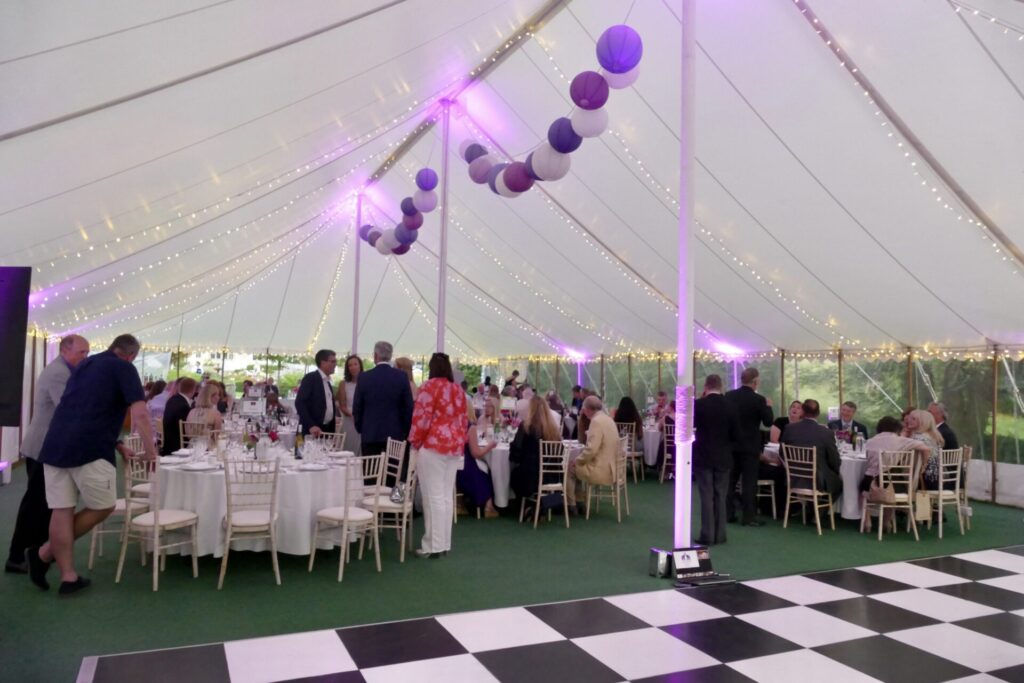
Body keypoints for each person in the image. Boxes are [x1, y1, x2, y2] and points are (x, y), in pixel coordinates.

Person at [27, 334, 158, 595]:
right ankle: (43, 553)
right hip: (89, 448)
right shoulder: (125, 368)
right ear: (131, 355)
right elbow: (140, 413)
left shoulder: (85, 364)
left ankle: (67, 576)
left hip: (54, 444)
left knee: (61, 509)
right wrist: (151, 451)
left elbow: (84, 406)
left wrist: (118, 443)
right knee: (103, 505)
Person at [6, 335, 90, 575]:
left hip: (50, 448)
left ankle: (38, 551)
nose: (85, 357)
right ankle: (17, 556)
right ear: (65, 350)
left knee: (46, 504)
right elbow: (70, 408)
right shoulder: (58, 373)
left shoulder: (65, 370)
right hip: (43, 448)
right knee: (35, 504)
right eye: (81, 352)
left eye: (87, 353)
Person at [408, 353, 468, 558]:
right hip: (454, 447)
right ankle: (443, 544)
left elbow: (421, 419)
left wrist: (415, 442)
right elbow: (464, 420)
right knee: (445, 497)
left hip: (433, 446)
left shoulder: (428, 387)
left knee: (432, 497)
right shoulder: (458, 389)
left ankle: (432, 546)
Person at [725, 367, 774, 526]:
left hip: (732, 445)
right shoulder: (759, 400)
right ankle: (748, 517)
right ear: (755, 381)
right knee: (749, 483)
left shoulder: (729, 396)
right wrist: (768, 406)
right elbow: (768, 422)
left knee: (730, 482)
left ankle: (728, 513)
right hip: (750, 447)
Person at [693, 375, 738, 545]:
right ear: (721, 386)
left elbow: (691, 427)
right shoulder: (731, 406)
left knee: (706, 495)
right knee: (721, 495)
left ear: (706, 386)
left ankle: (707, 534)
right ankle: (720, 534)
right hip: (724, 456)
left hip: (703, 455)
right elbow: (737, 434)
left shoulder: (699, 404)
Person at [353, 341, 414, 457]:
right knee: (392, 473)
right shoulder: (401, 377)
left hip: (370, 434)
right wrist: (404, 431)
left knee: (370, 473)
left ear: (375, 355)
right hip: (395, 435)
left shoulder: (364, 377)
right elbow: (408, 408)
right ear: (390, 355)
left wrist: (362, 427)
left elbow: (357, 407)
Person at [780, 399, 842, 499]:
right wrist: (834, 471)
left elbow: (782, 453)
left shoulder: (789, 428)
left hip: (793, 478)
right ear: (818, 413)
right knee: (839, 484)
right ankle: (818, 513)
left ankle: (809, 509)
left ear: (803, 411)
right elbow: (834, 460)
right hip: (818, 481)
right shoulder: (826, 433)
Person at [566, 396, 619, 513]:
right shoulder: (609, 419)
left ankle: (571, 505)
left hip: (600, 470)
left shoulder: (596, 421)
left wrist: (578, 460)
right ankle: (579, 502)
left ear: (587, 409)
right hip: (612, 468)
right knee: (577, 467)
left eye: (584, 409)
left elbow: (591, 450)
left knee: (569, 468)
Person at [861, 416, 933, 494]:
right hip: (891, 484)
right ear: (897, 428)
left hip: (868, 483)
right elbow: (926, 449)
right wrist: (924, 465)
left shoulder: (869, 442)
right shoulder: (901, 441)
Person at [509, 395, 561, 501]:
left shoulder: (526, 427)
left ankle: (527, 504)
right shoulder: (554, 429)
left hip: (530, 477)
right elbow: (559, 455)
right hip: (552, 477)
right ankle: (544, 505)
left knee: (514, 475)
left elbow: (515, 455)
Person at [456, 423, 499, 518]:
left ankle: (459, 503)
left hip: (455, 466)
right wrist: (491, 446)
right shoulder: (470, 427)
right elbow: (476, 453)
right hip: (467, 467)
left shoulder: (454, 424)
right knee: (486, 471)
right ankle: (489, 506)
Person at [295, 349, 337, 437]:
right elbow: (300, 403)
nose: (335, 364)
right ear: (323, 362)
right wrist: (311, 425)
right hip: (312, 430)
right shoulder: (311, 378)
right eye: (333, 361)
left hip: (326, 430)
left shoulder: (327, 382)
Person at [904, 408, 945, 490]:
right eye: (909, 418)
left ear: (922, 422)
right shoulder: (931, 435)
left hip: (927, 477)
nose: (909, 420)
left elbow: (926, 451)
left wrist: (923, 467)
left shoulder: (918, 437)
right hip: (939, 475)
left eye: (913, 419)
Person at [336, 354, 363, 457]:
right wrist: (353, 415)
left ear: (360, 366)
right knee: (349, 451)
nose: (353, 367)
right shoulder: (343, 383)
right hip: (349, 420)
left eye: (355, 364)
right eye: (350, 365)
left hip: (363, 421)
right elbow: (342, 405)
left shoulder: (365, 382)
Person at [160, 377, 196, 455]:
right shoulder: (183, 406)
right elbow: (186, 430)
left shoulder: (172, 399)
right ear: (193, 390)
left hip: (168, 442)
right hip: (177, 446)